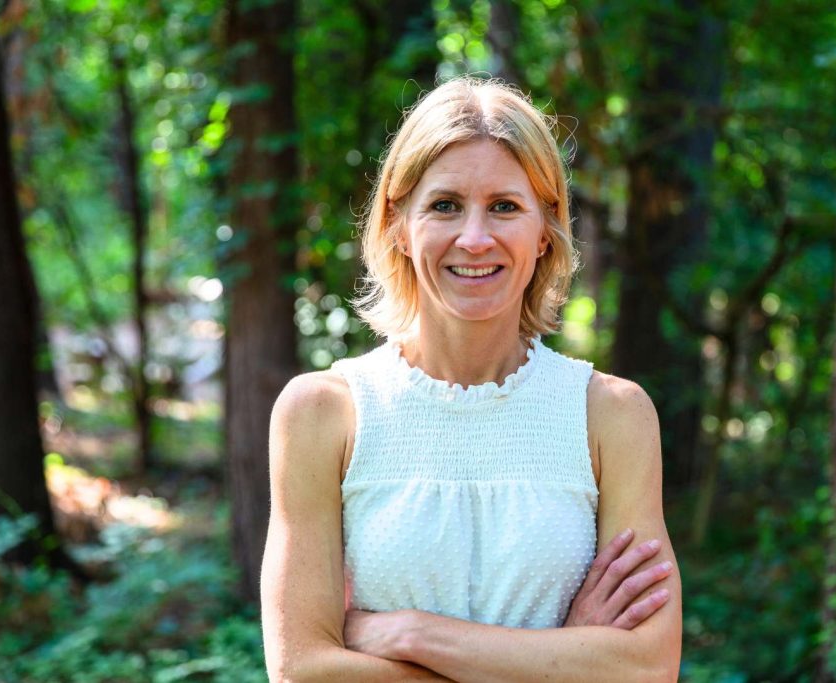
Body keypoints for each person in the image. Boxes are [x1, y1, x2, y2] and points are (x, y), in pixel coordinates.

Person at [260, 76, 682, 682]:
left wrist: (412, 634)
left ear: (545, 230)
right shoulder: (324, 413)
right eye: (445, 205)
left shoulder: (611, 415)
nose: (475, 237)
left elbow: (647, 670)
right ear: (399, 225)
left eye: (505, 206)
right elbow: (302, 671)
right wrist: (564, 656)